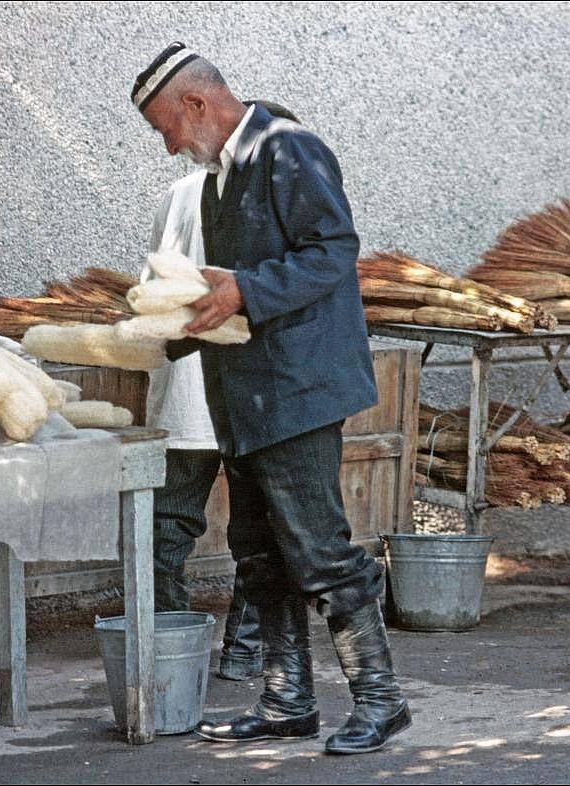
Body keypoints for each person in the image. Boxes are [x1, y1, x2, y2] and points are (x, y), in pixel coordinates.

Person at [131, 43, 411, 754]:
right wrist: (161, 329)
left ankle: (382, 699)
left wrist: (243, 290)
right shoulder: (220, 178)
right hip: (248, 394)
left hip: (299, 391)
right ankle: (288, 700)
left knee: (320, 553)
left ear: (196, 104)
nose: (168, 146)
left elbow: (332, 251)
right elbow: (225, 292)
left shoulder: (289, 149)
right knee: (259, 553)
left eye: (165, 127)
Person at [147, 100, 302, 682]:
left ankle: (166, 647)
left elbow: (151, 291)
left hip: (185, 389)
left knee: (167, 523)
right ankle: (242, 651)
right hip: (248, 389)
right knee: (259, 529)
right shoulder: (268, 198)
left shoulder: (176, 194)